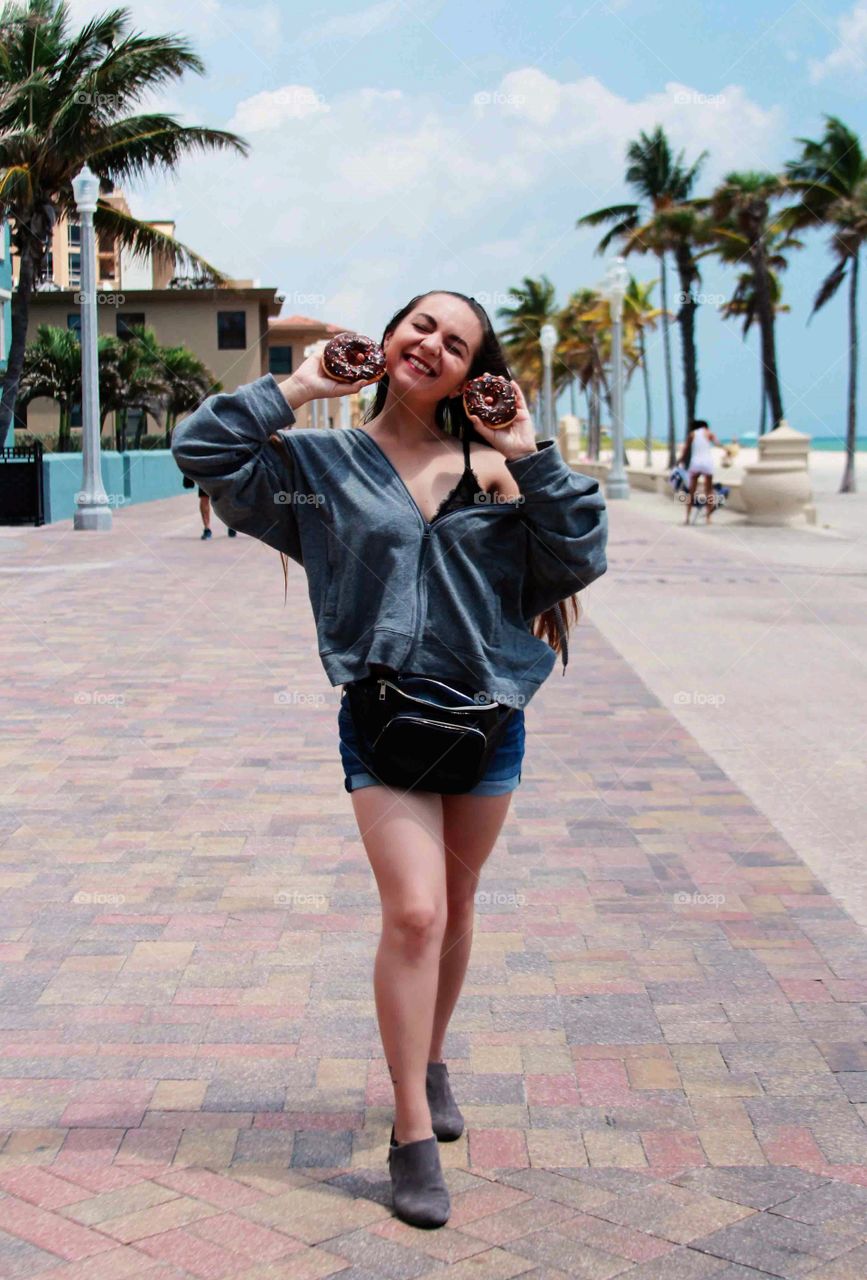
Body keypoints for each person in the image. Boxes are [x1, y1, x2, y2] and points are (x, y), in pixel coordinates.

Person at [170, 291, 608, 1228]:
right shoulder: (320, 467)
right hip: (381, 719)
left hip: (489, 719)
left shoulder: (498, 469)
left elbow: (578, 554)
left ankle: (432, 1055)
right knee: (414, 912)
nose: (432, 346)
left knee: (455, 907)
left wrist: (530, 450)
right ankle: (412, 1129)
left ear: (470, 372)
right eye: (421, 327)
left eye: (456, 343)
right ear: (390, 336)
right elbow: (203, 454)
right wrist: (298, 384)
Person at [677, 419, 725, 524]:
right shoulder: (709, 433)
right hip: (707, 463)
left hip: (695, 463)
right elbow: (717, 443)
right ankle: (708, 518)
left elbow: (686, 449)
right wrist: (727, 450)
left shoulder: (692, 434)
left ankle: (687, 518)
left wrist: (680, 460)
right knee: (709, 491)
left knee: (691, 492)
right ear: (705, 426)